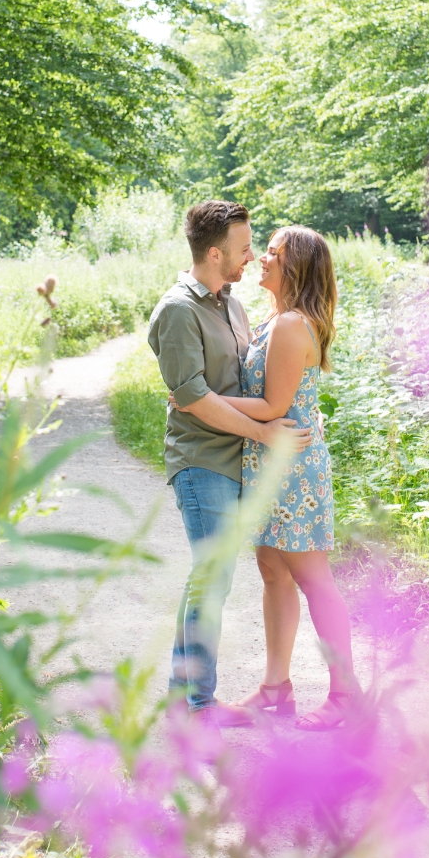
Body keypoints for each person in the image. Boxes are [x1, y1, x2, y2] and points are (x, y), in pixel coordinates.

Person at [176, 225, 358, 730]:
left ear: (294, 266)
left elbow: (274, 405)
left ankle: (346, 694)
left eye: (272, 253)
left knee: (313, 579)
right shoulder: (278, 319)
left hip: (292, 468)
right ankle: (275, 689)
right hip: (269, 462)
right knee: (274, 573)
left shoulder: (291, 325)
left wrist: (196, 401)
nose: (261, 259)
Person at [148, 202, 312, 743]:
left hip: (235, 460)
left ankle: (189, 699)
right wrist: (264, 432)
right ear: (215, 253)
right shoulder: (178, 310)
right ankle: (194, 705)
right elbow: (192, 396)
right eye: (244, 248)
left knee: (214, 579)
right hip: (202, 462)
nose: (251, 256)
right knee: (211, 577)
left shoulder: (232, 306)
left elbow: (232, 389)